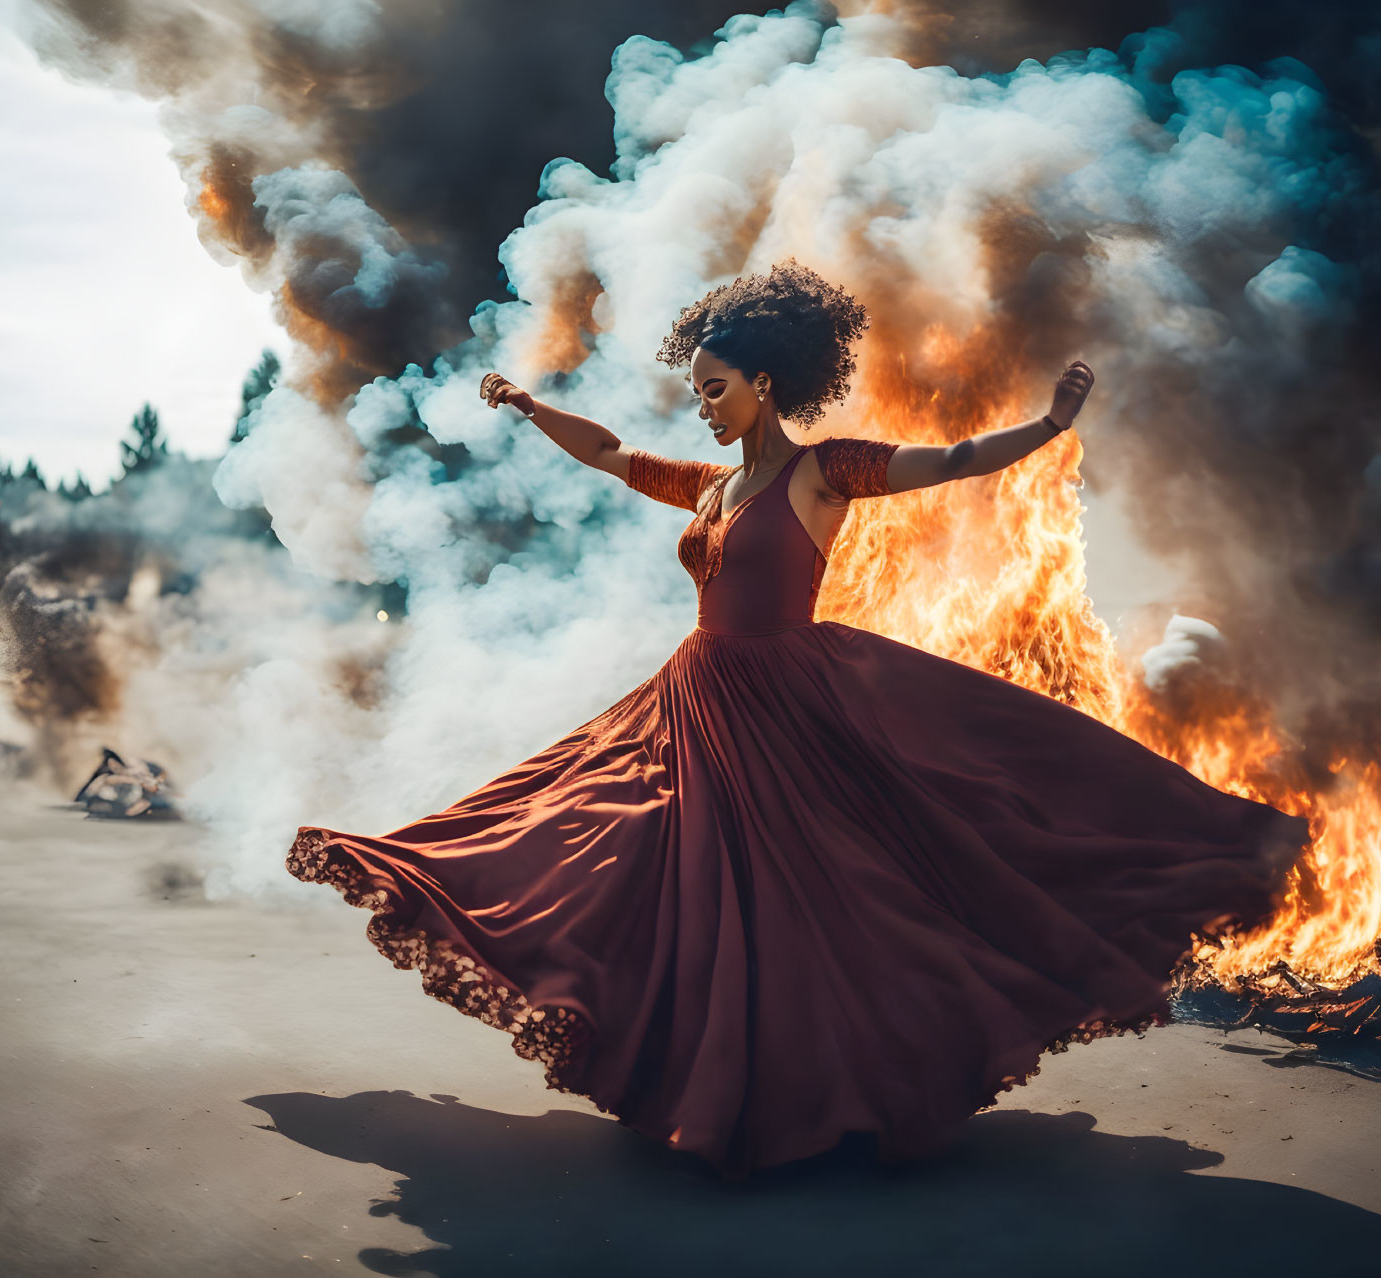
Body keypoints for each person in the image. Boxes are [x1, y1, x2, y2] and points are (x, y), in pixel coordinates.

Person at [285, 260, 1308, 1179]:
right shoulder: (711, 485)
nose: (703, 408)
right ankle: (701, 1071)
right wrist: (525, 404)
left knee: (825, 891)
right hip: (694, 701)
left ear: (765, 382)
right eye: (694, 393)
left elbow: (947, 459)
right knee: (600, 846)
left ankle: (825, 1087)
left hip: (793, 702)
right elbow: (606, 452)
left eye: (715, 389)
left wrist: (1044, 430)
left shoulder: (822, 472)